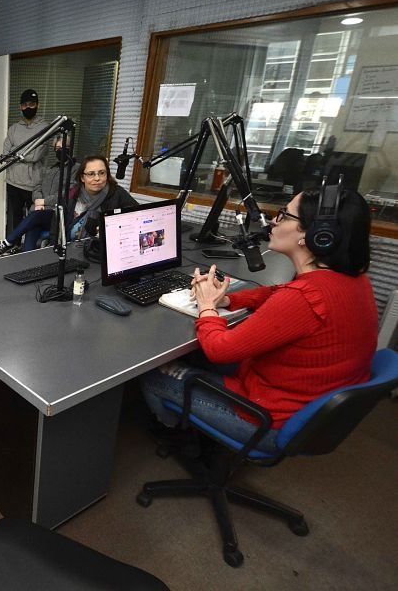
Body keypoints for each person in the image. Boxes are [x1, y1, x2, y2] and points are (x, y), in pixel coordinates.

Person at [141, 189, 378, 452]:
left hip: (267, 420)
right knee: (195, 357)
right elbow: (277, 293)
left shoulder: (303, 298)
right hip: (308, 406)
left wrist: (207, 306)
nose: (273, 221)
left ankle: (177, 438)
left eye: (284, 215)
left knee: (154, 374)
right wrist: (228, 300)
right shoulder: (352, 280)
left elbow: (220, 350)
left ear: (314, 234)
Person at [0, 136, 77, 256]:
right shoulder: (49, 168)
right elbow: (37, 186)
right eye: (57, 148)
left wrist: (44, 202)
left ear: (70, 148)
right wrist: (38, 201)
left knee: (35, 216)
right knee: (30, 241)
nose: (60, 151)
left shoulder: (76, 169)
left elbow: (67, 193)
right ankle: (26, 257)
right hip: (40, 211)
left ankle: (8, 242)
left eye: (64, 147)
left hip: (56, 214)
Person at [3, 89, 47, 238]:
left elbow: (35, 155)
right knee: (14, 217)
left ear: (38, 105)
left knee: (33, 218)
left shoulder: (45, 128)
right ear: (20, 107)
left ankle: (29, 246)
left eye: (32, 104)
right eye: (25, 105)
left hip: (33, 184)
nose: (28, 107)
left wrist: (15, 151)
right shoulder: (14, 128)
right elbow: (6, 155)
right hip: (13, 181)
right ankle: (13, 244)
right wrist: (24, 152)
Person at [67, 155, 139, 239]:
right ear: (82, 178)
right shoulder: (72, 194)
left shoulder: (118, 194)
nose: (97, 178)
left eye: (102, 173)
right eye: (91, 174)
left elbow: (137, 219)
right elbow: (59, 224)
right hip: (69, 244)